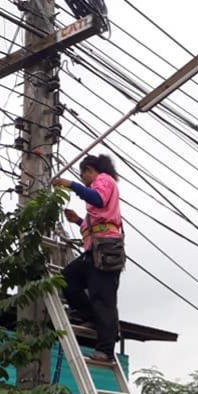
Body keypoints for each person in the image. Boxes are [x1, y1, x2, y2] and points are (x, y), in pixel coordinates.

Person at [53, 154, 123, 364]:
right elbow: (98, 221)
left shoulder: (103, 179)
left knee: (103, 299)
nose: (83, 178)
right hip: (95, 249)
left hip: (106, 250)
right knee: (67, 278)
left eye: (83, 174)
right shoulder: (100, 189)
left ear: (91, 170)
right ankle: (89, 316)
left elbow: (98, 199)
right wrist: (78, 221)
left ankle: (105, 350)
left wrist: (69, 184)